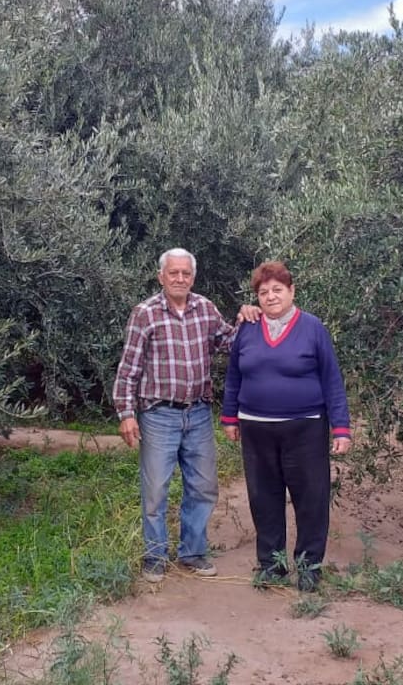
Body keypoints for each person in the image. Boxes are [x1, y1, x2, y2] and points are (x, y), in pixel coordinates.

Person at [113, 248, 259, 584]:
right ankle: (155, 556)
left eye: (186, 273)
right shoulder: (145, 314)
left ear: (193, 277)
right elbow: (129, 368)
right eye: (173, 273)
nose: (180, 278)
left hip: (198, 414)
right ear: (161, 276)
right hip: (158, 415)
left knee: (204, 487)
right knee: (155, 491)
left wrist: (248, 316)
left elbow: (231, 343)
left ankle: (192, 552)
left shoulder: (205, 308)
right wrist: (126, 413)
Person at [220, 260, 351, 592]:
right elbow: (234, 376)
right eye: (263, 292)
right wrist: (229, 417)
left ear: (292, 291)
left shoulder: (313, 328)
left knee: (311, 498)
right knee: (263, 498)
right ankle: (271, 565)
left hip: (305, 427)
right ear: (257, 298)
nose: (271, 296)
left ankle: (309, 567)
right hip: (256, 428)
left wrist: (341, 427)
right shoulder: (247, 328)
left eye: (277, 289)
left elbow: (331, 379)